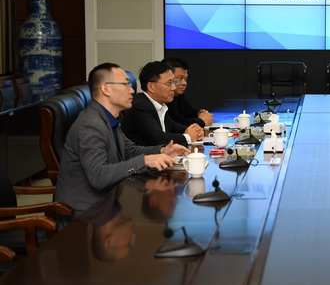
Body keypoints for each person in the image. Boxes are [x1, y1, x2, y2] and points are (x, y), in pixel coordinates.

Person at [54, 63, 189, 218]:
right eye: (126, 85)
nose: (132, 90)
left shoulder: (108, 118)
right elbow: (98, 176)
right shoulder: (90, 125)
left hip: (109, 200)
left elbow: (129, 150)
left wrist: (162, 150)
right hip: (85, 212)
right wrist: (144, 160)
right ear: (106, 89)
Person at [122, 61, 204, 147]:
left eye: (174, 82)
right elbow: (159, 139)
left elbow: (173, 127)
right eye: (169, 83)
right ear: (151, 86)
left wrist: (195, 131)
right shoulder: (140, 107)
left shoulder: (158, 104)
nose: (173, 87)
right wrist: (188, 137)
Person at [161, 57, 214, 127]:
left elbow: (190, 112)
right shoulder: (163, 98)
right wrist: (201, 121)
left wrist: (201, 113)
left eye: (185, 79)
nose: (184, 83)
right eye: (180, 78)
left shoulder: (178, 95)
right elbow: (176, 123)